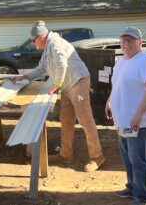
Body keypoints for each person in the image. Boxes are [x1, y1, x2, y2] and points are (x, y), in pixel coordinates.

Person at [12, 21, 105, 172]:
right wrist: (24, 77)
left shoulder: (55, 43)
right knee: (66, 120)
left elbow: (62, 64)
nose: (32, 42)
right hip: (67, 85)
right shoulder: (47, 48)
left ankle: (97, 157)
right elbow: (41, 68)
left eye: (33, 39)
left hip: (78, 81)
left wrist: (56, 84)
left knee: (85, 120)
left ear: (41, 36)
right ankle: (65, 155)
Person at [105, 27, 146, 205]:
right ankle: (132, 187)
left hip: (140, 122)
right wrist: (109, 101)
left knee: (139, 160)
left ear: (140, 42)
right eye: (123, 40)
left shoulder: (145, 61)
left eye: (130, 40)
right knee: (129, 157)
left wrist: (138, 115)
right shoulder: (121, 60)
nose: (126, 44)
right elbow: (118, 84)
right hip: (124, 121)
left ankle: (144, 197)